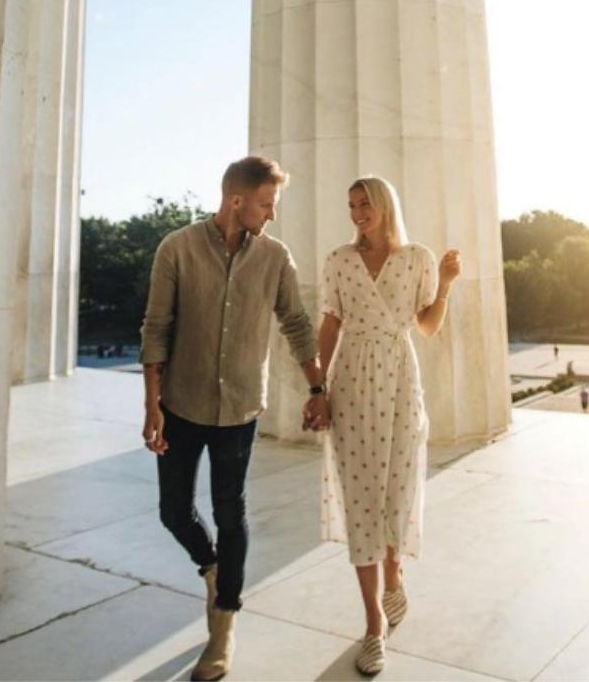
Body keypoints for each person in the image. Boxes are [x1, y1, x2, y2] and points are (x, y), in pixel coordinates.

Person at [139, 157, 327, 682]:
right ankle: (215, 569)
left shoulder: (274, 256)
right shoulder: (176, 248)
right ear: (237, 200)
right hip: (180, 402)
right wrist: (152, 402)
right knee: (174, 511)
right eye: (266, 204)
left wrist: (317, 386)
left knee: (230, 511)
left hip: (240, 406)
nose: (271, 215)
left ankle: (222, 628)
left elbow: (296, 322)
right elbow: (156, 327)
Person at [315, 176, 462, 676]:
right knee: (360, 499)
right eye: (351, 205)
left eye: (365, 204)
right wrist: (318, 389)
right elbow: (330, 323)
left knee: (397, 490)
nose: (357, 213)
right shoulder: (338, 260)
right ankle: (374, 623)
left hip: (400, 379)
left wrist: (443, 286)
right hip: (352, 379)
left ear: (385, 206)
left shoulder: (416, 257)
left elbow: (427, 325)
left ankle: (394, 572)